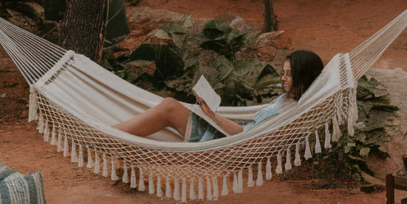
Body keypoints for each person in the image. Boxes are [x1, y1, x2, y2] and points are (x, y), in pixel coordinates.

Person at [113, 49, 324, 141]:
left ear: (302, 76)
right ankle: (111, 134)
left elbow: (245, 136)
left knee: (169, 106)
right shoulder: (285, 100)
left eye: (289, 74)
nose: (282, 78)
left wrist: (213, 116)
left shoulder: (291, 112)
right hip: (224, 132)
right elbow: (251, 122)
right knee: (169, 105)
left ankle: (107, 134)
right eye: (283, 73)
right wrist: (212, 112)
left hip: (224, 142)